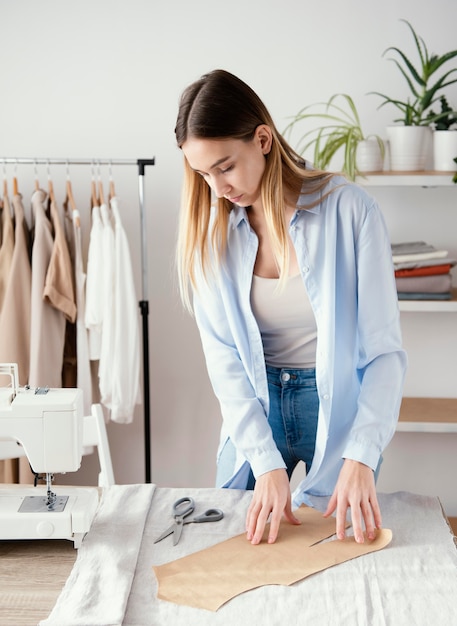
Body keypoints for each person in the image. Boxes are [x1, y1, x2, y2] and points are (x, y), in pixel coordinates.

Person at [174, 69, 407, 547]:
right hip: (255, 412)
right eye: (202, 174)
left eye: (225, 167)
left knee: (333, 553)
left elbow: (384, 352)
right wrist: (263, 461)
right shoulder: (210, 231)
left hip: (337, 411)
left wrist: (362, 455)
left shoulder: (350, 211)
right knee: (227, 544)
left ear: (262, 139)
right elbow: (225, 362)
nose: (217, 188)